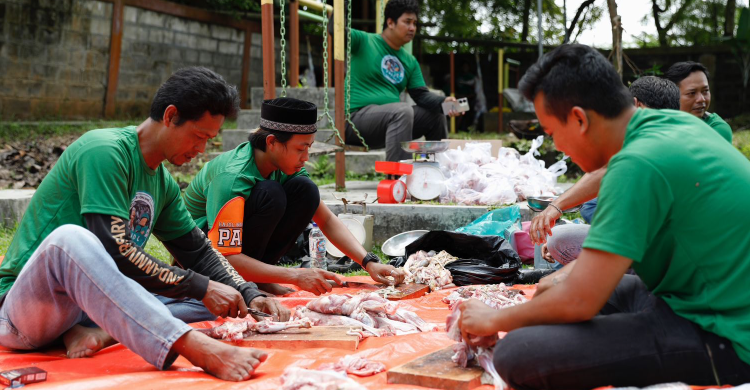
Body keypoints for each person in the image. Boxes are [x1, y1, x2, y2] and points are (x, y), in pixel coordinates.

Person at [458, 44, 750, 388]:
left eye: (552, 134)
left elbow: (581, 301)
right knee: (558, 293)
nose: (558, 147)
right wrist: (561, 282)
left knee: (518, 353)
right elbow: (604, 176)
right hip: (697, 296)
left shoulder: (638, 164)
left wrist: (494, 318)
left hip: (727, 334)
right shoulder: (667, 125)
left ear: (580, 119)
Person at [0, 67, 286, 381]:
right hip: (28, 311)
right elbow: (115, 246)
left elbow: (198, 251)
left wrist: (248, 293)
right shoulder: (105, 151)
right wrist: (198, 285)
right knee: (70, 239)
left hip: (91, 306)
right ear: (170, 115)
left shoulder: (162, 183)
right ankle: (192, 346)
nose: (202, 150)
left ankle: (93, 332)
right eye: (199, 136)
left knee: (221, 300)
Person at [184, 97, 406, 297]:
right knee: (271, 194)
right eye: (301, 149)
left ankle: (260, 280)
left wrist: (369, 262)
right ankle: (251, 282)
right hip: (202, 261)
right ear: (271, 142)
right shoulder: (232, 177)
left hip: (230, 256)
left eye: (309, 148)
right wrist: (295, 276)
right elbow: (224, 257)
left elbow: (326, 219)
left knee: (306, 190)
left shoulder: (284, 165)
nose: (306, 157)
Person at [531, 76, 682, 268]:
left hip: (666, 261)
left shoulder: (649, 142)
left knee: (563, 245)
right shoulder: (682, 133)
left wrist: (566, 279)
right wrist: (556, 207)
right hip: (680, 250)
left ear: (635, 104)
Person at [342, 0, 463, 162]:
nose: (412, 28)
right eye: (407, 22)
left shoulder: (409, 61)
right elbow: (334, 31)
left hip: (392, 124)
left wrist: (445, 102)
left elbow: (421, 96)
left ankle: (437, 171)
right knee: (402, 111)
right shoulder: (365, 41)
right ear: (390, 22)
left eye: (415, 23)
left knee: (436, 115)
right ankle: (398, 177)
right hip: (355, 122)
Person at [665, 61, 733, 142]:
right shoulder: (659, 121)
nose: (701, 99)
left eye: (705, 91)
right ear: (672, 94)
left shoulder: (716, 129)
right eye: (692, 93)